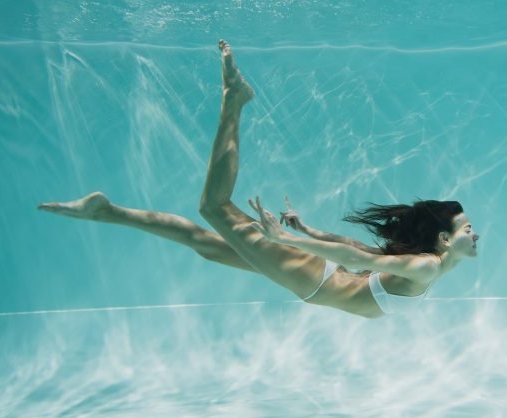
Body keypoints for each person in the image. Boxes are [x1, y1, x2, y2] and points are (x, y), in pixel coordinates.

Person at [38, 40, 480, 319]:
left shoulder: (427, 263)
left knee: (208, 247)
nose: (475, 234)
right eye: (467, 229)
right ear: (443, 240)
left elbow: (359, 252)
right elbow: (362, 257)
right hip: (315, 277)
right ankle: (234, 101)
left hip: (323, 274)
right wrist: (293, 241)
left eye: (468, 228)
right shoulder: (427, 266)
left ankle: (108, 212)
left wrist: (305, 232)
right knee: (214, 208)